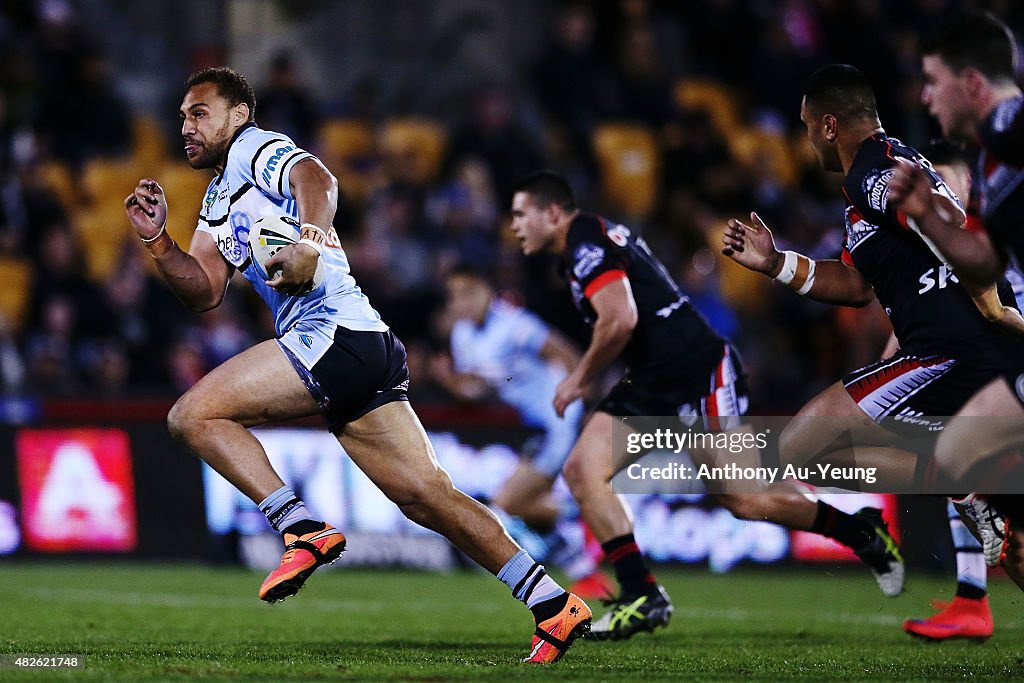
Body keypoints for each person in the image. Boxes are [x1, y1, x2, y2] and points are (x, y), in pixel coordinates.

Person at [123, 67, 590, 664]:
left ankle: (299, 529)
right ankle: (553, 603)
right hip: (361, 344)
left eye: (199, 113)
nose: (186, 126)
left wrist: (310, 242)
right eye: (182, 116)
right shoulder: (218, 197)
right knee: (428, 497)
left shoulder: (253, 150)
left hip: (332, 332)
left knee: (193, 415)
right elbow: (205, 289)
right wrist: (158, 242)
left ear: (239, 114)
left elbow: (317, 177)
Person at [511, 169, 905, 642]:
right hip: (653, 376)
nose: (514, 226)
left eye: (521, 214)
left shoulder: (584, 240)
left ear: (552, 213)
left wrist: (578, 378)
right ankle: (642, 595)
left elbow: (619, 319)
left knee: (745, 498)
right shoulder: (583, 244)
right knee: (581, 472)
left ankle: (861, 533)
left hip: (697, 367)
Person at [721, 64, 1024, 589]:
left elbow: (946, 224)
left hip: (948, 349)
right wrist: (776, 265)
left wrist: (989, 300)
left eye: (809, 124)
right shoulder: (887, 165)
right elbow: (858, 285)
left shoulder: (870, 172)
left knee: (805, 447)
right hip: (972, 348)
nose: (808, 136)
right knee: (1015, 547)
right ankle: (972, 489)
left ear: (831, 125)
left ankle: (963, 483)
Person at [886, 10, 1024, 585]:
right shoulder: (992, 159)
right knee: (959, 453)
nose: (925, 97)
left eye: (932, 80)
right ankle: (992, 559)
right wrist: (927, 218)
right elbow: (984, 262)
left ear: (970, 84)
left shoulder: (1017, 132)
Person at [435, 265, 611, 597]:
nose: (464, 302)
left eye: (470, 293)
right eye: (457, 296)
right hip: (538, 426)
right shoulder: (463, 336)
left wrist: (585, 405)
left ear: (487, 291)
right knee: (523, 505)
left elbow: (568, 355)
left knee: (506, 501)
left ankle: (591, 512)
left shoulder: (515, 324)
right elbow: (477, 391)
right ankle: (585, 569)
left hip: (560, 420)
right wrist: (449, 380)